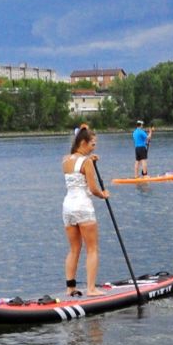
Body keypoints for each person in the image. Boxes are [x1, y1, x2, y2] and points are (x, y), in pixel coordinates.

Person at [62, 125, 111, 295]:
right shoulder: (87, 162)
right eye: (92, 145)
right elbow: (92, 188)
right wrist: (103, 194)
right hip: (83, 206)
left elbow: (79, 165)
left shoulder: (65, 160)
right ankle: (91, 289)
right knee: (92, 248)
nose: (93, 148)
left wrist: (90, 159)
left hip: (67, 207)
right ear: (83, 142)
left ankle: (70, 287)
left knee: (74, 248)